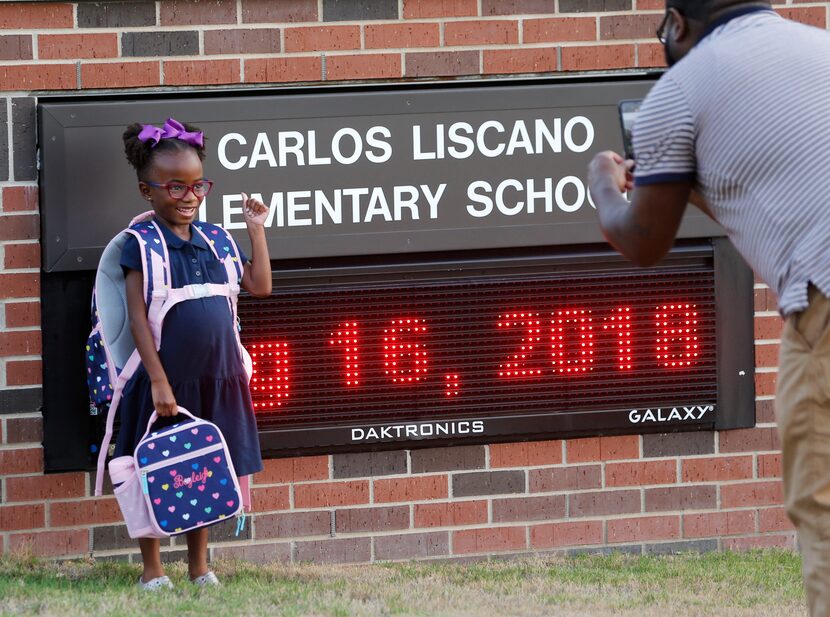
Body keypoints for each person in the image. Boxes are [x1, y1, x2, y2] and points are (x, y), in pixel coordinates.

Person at [587, 1, 830, 614]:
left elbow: (643, 240)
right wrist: (690, 188)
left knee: (824, 512)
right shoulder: (818, 48)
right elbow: (777, 201)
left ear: (675, 22)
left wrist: (601, 181)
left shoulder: (680, 90)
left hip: (823, 310)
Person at [115, 119, 272, 590]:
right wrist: (159, 380)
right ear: (148, 190)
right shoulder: (139, 245)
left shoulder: (218, 239)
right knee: (155, 470)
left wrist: (256, 230)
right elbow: (139, 318)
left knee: (202, 471)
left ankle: (200, 566)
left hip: (217, 377)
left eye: (197, 185)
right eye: (175, 186)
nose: (188, 196)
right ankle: (152, 569)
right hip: (166, 380)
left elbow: (260, 287)